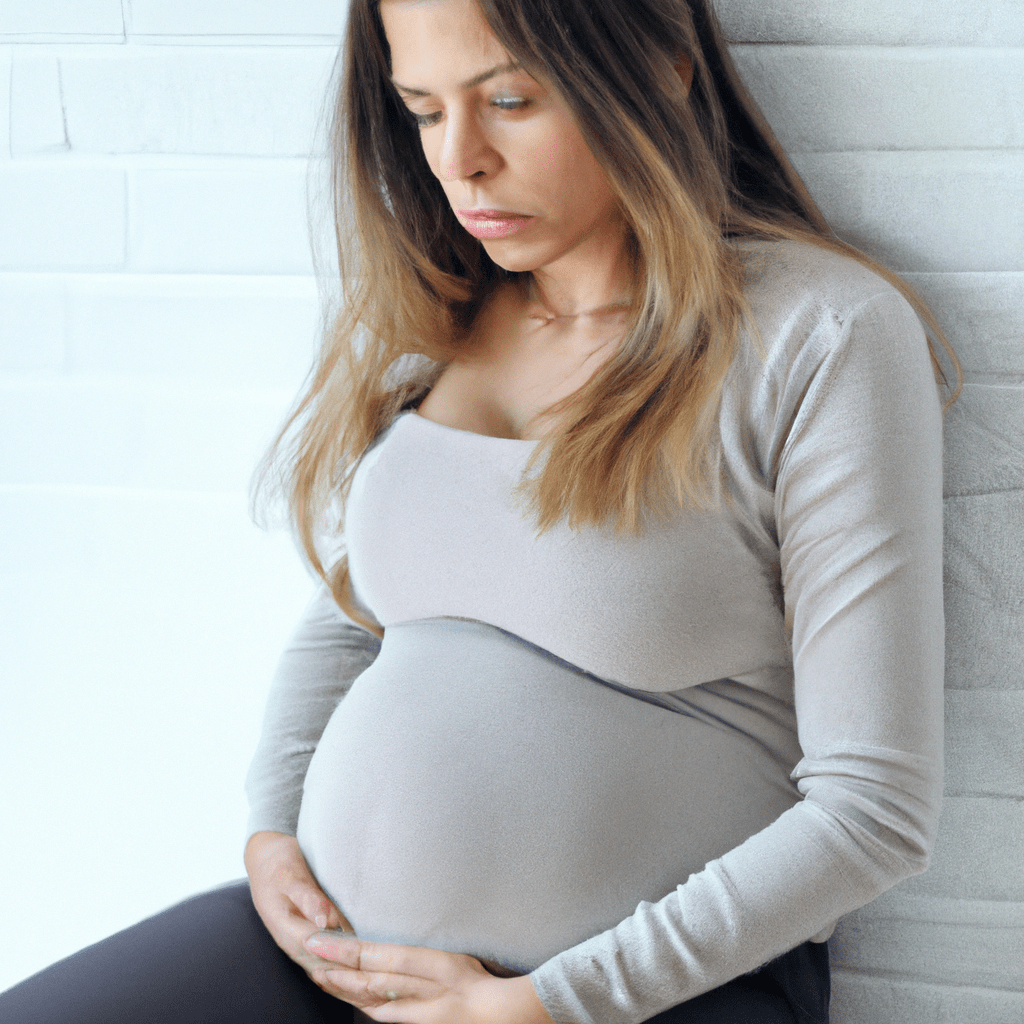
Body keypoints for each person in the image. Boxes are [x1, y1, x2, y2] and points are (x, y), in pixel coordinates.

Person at [0, 0, 958, 1022]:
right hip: (331, 964)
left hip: (644, 994)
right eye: (421, 109)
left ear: (665, 69)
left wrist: (546, 1002)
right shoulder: (439, 311)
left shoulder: (820, 335)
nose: (459, 161)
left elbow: (874, 810)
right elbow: (357, 614)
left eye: (508, 100)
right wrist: (272, 830)